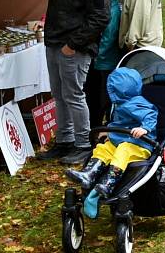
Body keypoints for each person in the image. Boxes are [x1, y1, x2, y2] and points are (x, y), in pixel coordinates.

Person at [39, 0, 111, 165]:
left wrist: (74, 45)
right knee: (59, 95)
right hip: (55, 42)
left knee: (74, 96)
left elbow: (100, 18)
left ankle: (82, 144)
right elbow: (57, 4)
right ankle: (65, 141)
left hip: (75, 47)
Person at [65, 68, 158, 198]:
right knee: (104, 148)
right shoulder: (119, 104)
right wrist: (108, 131)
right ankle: (89, 174)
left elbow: (151, 115)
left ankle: (109, 183)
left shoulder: (136, 104)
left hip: (139, 145)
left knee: (123, 151)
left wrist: (145, 128)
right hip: (120, 139)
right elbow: (119, 123)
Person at [84, 0, 122, 128]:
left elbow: (108, 38)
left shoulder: (112, 10)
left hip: (106, 61)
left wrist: (96, 55)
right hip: (102, 60)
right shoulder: (107, 6)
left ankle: (101, 128)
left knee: (103, 98)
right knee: (96, 96)